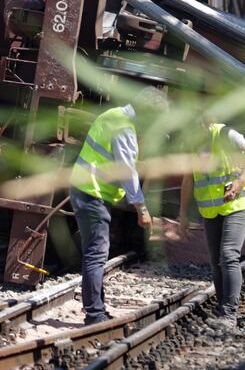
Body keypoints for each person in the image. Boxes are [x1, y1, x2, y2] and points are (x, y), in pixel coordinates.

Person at [69, 103, 152, 325]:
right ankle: (94, 314)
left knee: (94, 253)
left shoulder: (113, 114)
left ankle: (97, 308)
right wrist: (141, 208)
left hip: (85, 189)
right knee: (96, 254)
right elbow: (126, 171)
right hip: (92, 193)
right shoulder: (124, 128)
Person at [179, 117, 245, 331]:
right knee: (216, 261)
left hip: (239, 205)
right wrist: (183, 215)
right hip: (211, 210)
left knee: (228, 254)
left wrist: (240, 181)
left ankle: (229, 314)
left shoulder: (226, 134)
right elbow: (188, 179)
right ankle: (223, 308)